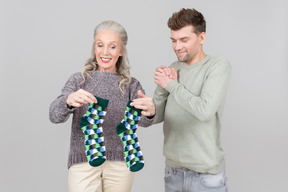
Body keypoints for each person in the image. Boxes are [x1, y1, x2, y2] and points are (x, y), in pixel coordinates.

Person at [49, 20, 156, 192]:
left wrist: (151, 112)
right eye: (100, 45)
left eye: (112, 47)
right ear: (94, 48)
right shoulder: (79, 80)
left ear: (121, 51)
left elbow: (143, 121)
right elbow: (54, 115)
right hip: (83, 160)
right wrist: (68, 100)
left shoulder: (131, 85)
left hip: (121, 161)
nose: (105, 52)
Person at [132, 8, 231, 192]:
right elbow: (158, 115)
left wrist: (170, 85)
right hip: (173, 174)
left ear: (201, 38)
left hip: (206, 177)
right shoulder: (172, 69)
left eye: (184, 40)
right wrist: (151, 107)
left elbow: (204, 110)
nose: (177, 47)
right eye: (174, 40)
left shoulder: (217, 65)